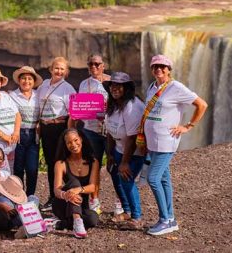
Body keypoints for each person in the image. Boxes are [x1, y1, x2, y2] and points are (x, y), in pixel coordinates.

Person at [142, 54, 208, 236]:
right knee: (163, 179)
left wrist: (188, 126)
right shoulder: (151, 87)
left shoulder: (176, 87)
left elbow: (201, 105)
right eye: (155, 66)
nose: (159, 69)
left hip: (166, 141)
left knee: (153, 179)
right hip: (153, 142)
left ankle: (164, 220)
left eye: (163, 66)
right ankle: (170, 218)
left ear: (169, 70)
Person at [102, 72, 146, 230]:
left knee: (127, 180)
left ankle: (137, 217)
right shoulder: (113, 105)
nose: (114, 88)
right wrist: (110, 155)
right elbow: (109, 132)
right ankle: (126, 211)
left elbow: (133, 138)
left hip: (134, 152)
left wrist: (125, 162)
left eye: (119, 86)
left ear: (126, 88)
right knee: (116, 179)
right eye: (112, 85)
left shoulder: (132, 107)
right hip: (118, 148)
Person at [68, 53, 110, 215]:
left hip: (110, 132)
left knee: (115, 167)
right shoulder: (84, 84)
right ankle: (94, 200)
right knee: (94, 166)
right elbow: (81, 106)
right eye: (91, 64)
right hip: (90, 131)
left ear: (103, 65)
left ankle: (121, 202)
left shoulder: (112, 81)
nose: (94, 67)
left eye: (97, 64)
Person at [37, 57, 76, 211]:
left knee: (62, 163)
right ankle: (53, 197)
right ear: (51, 69)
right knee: (50, 163)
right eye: (56, 68)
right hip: (46, 129)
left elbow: (73, 114)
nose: (59, 71)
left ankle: (67, 196)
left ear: (66, 72)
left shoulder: (68, 88)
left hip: (59, 128)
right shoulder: (44, 85)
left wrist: (69, 134)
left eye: (62, 69)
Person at [0, 146, 39, 231]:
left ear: (3, 162)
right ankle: (25, 223)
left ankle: (22, 224)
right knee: (4, 200)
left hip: (12, 210)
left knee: (33, 198)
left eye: (0, 159)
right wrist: (1, 206)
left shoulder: (6, 174)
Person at [52, 128, 100, 239]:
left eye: (75, 140)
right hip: (63, 203)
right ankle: (77, 222)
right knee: (74, 182)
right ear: (65, 145)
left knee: (93, 219)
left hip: (82, 204)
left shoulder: (93, 162)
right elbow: (56, 190)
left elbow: (93, 187)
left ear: (81, 139)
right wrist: (66, 195)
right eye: (69, 142)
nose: (73, 144)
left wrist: (79, 190)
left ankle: (59, 224)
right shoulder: (61, 163)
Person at [9, 66, 43, 196]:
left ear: (34, 81)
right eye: (23, 78)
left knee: (32, 168)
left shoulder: (38, 95)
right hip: (18, 133)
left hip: (34, 134)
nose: (26, 81)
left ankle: (30, 196)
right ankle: (18, 196)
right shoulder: (12, 95)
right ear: (19, 80)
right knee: (18, 168)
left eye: (29, 79)